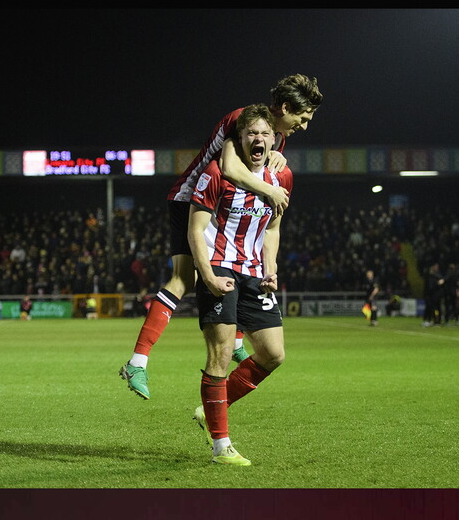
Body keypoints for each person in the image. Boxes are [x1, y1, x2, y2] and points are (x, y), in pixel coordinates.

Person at [119, 74, 322, 400]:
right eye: (302, 117)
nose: (304, 125)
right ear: (285, 107)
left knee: (239, 264)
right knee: (183, 279)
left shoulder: (275, 137)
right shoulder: (242, 120)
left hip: (225, 209)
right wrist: (271, 189)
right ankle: (137, 361)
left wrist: (277, 161)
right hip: (192, 201)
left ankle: (239, 343)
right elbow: (228, 167)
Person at [184, 104, 291, 465]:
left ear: (274, 138)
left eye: (264, 134)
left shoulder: (282, 178)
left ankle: (213, 407)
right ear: (240, 138)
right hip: (220, 269)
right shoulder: (217, 173)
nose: (258, 139)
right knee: (222, 354)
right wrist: (208, 275)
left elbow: (272, 229)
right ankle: (221, 446)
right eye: (251, 134)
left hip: (255, 274)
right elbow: (195, 230)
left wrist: (270, 268)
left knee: (274, 354)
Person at [422, 263, 443, 327]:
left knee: (436, 308)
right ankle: (427, 320)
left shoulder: (437, 276)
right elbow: (429, 287)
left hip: (435, 295)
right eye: (436, 266)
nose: (437, 268)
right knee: (430, 308)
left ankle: (436, 321)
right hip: (429, 295)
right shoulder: (429, 276)